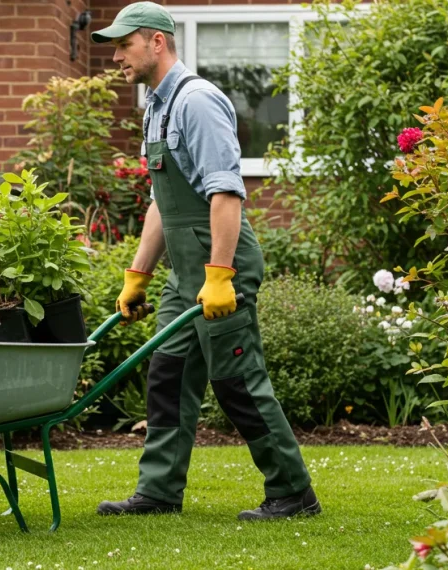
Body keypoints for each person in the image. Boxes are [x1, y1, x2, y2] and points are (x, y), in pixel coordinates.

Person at [90, 1, 321, 521]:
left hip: (222, 263)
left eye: (124, 45)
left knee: (237, 380)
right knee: (168, 376)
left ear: (156, 41)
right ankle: (158, 491)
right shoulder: (155, 107)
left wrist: (220, 276)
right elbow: (161, 201)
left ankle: (293, 491)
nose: (117, 58)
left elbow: (225, 195)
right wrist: (138, 275)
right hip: (184, 270)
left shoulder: (196, 101)